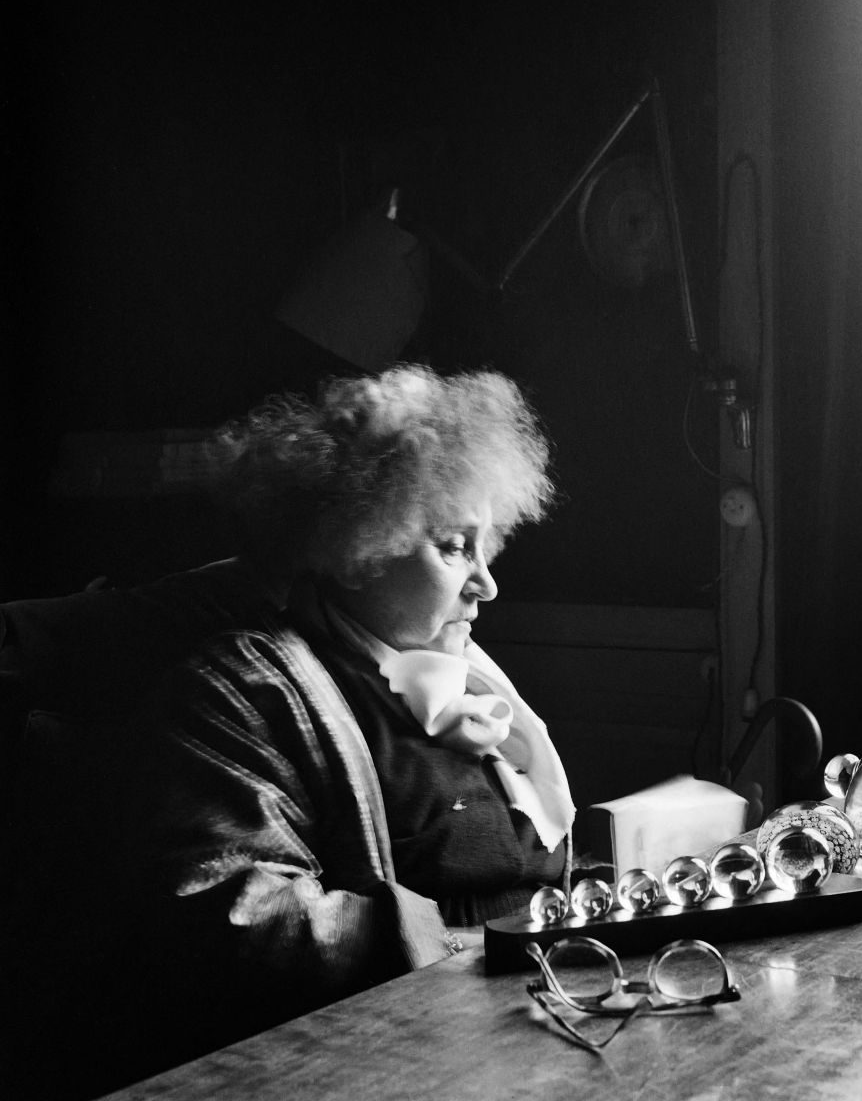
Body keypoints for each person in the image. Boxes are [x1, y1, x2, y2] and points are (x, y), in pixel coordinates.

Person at [114, 363, 574, 1070]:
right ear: (361, 551)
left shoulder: (469, 679)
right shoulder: (238, 691)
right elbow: (241, 921)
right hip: (399, 1054)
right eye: (454, 546)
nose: (487, 582)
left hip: (536, 1012)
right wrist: (460, 952)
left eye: (489, 546)